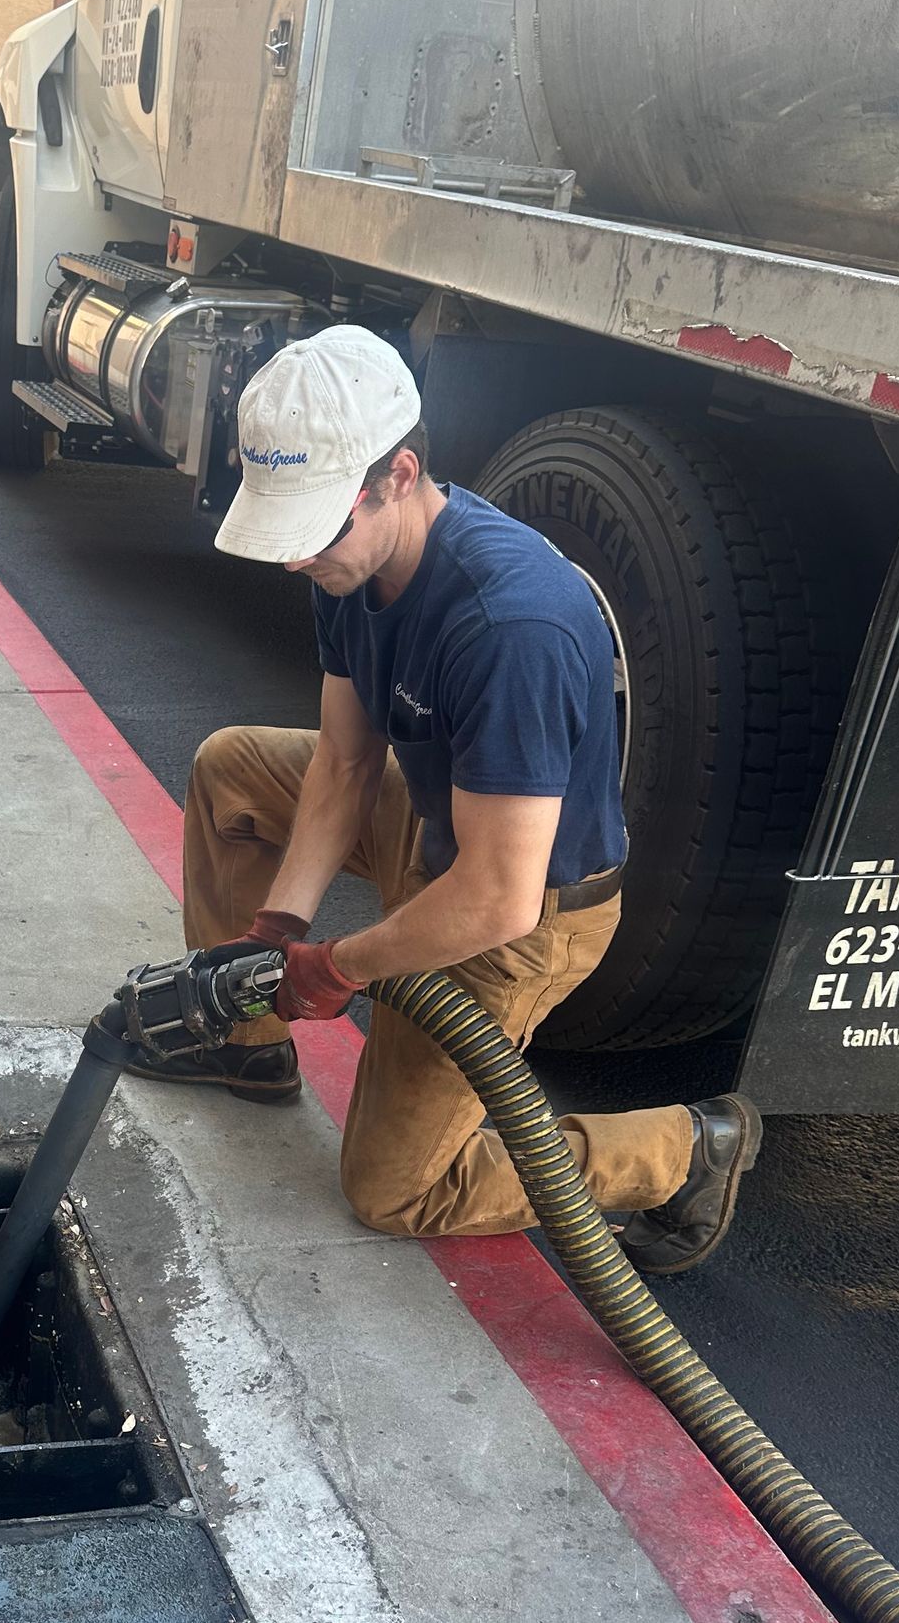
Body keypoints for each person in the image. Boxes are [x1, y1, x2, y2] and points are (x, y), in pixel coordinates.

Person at [127, 325, 760, 1273]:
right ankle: (247, 1042)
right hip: (430, 824)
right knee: (233, 768)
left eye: (315, 531)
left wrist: (335, 966)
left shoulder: (512, 624)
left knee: (395, 1189)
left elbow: (499, 895)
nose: (298, 559)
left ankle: (682, 1150)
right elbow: (344, 764)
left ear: (398, 474)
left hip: (522, 911)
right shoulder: (346, 561)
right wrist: (275, 933)